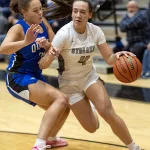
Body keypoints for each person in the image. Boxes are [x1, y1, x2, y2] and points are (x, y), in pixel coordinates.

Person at [39, 0, 142, 150]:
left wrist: (118, 55)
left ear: (90, 15)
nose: (77, 15)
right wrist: (50, 55)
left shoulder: (95, 31)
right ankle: (92, 107)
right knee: (92, 127)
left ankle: (133, 146)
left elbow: (109, 59)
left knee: (108, 113)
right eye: (75, 11)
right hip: (70, 85)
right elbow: (43, 65)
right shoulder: (63, 34)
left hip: (89, 77)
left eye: (82, 12)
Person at [0, 0, 71, 150]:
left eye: (41, 9)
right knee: (60, 98)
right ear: (24, 12)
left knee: (64, 107)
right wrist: (26, 41)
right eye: (35, 10)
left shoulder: (43, 22)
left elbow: (54, 44)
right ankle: (39, 144)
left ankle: (51, 138)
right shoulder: (18, 28)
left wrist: (47, 46)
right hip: (17, 77)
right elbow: (3, 48)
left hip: (35, 75)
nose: (40, 13)